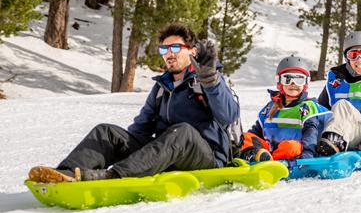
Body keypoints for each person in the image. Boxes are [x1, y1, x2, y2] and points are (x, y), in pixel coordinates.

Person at [28, 22, 240, 183]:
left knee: (181, 131)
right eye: (164, 50)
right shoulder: (161, 88)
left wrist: (211, 81)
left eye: (175, 47)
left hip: (208, 158)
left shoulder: (208, 79)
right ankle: (65, 174)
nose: (169, 54)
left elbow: (229, 115)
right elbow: (141, 130)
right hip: (169, 154)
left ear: (192, 51)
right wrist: (126, 147)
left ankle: (113, 176)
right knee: (107, 132)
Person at [239, 56, 331, 164]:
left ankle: (269, 161)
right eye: (287, 79)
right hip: (269, 151)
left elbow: (310, 135)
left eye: (299, 79)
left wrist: (307, 158)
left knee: (290, 146)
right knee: (244, 137)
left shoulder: (307, 107)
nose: (293, 84)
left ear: (305, 83)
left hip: (296, 152)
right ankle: (255, 157)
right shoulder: (270, 107)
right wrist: (247, 144)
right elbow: (256, 133)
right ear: (279, 82)